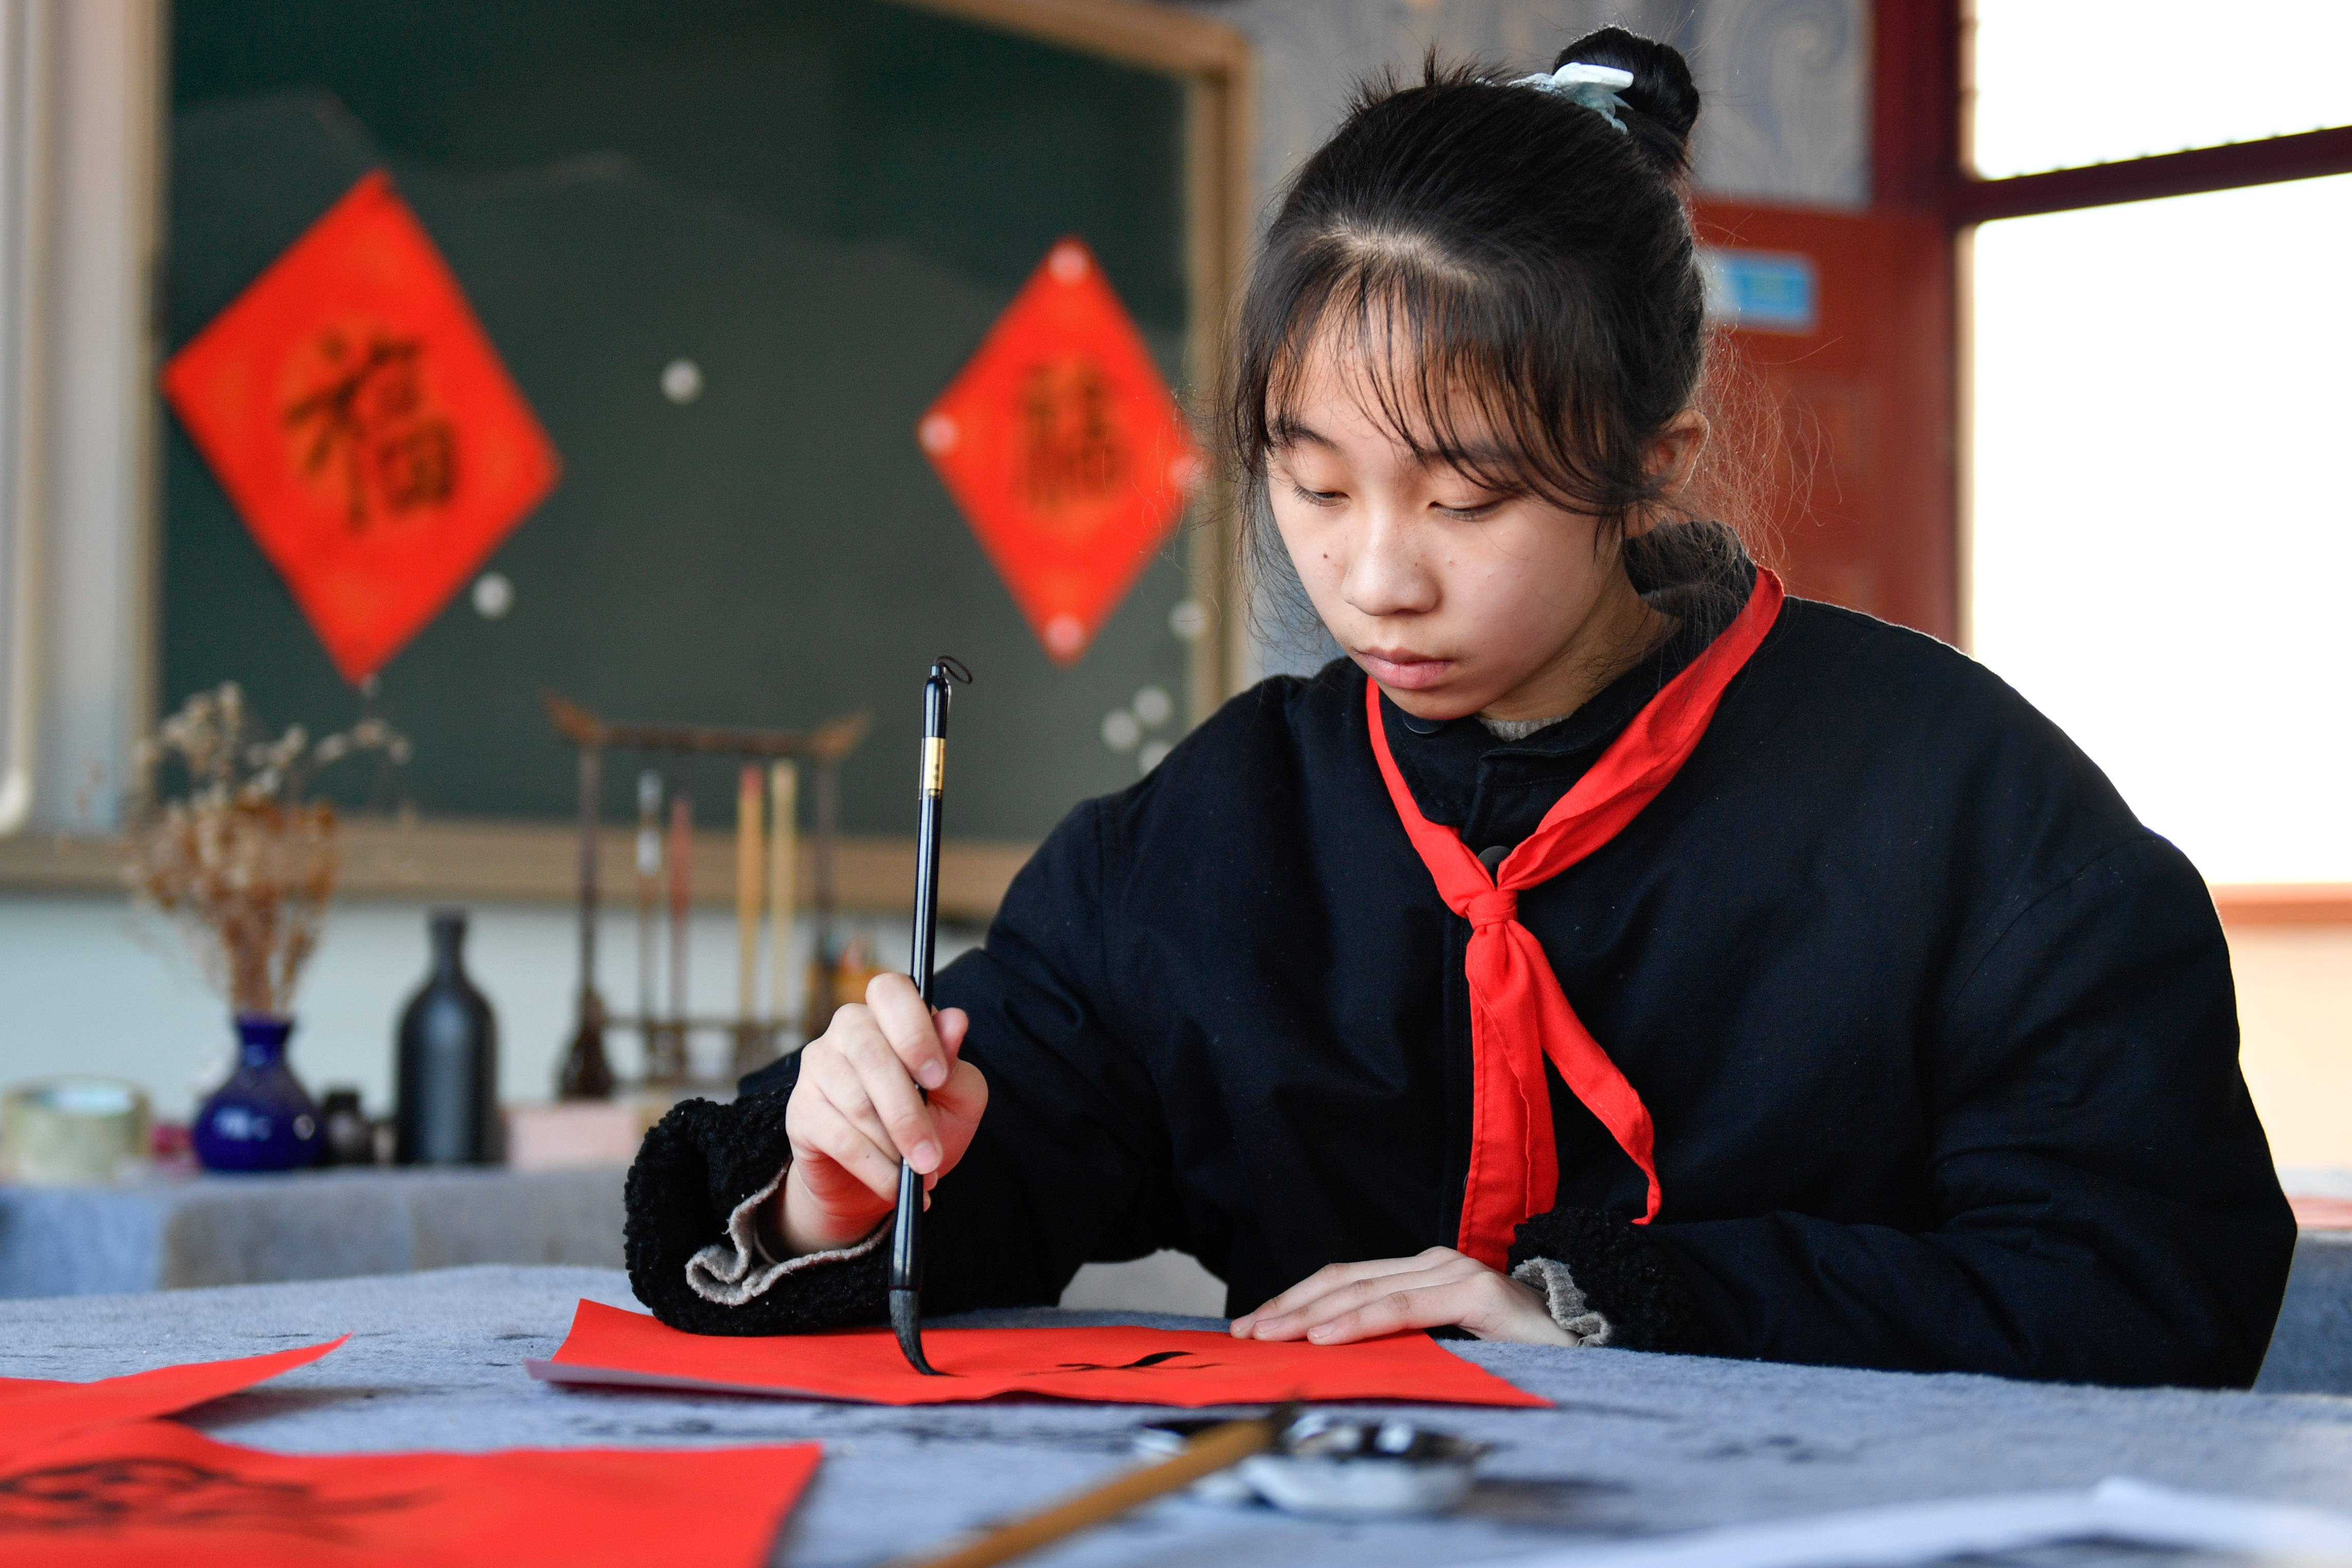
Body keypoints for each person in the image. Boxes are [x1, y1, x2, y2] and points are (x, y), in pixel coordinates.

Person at [624, 28, 2293, 1385]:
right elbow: (1029, 1120)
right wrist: (837, 1188)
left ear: (1650, 465)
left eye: (1467, 497)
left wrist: (1603, 1302)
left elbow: (2143, 1278)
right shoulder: (1217, 836)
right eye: (1314, 482)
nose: (1374, 578)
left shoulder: (1959, 804)